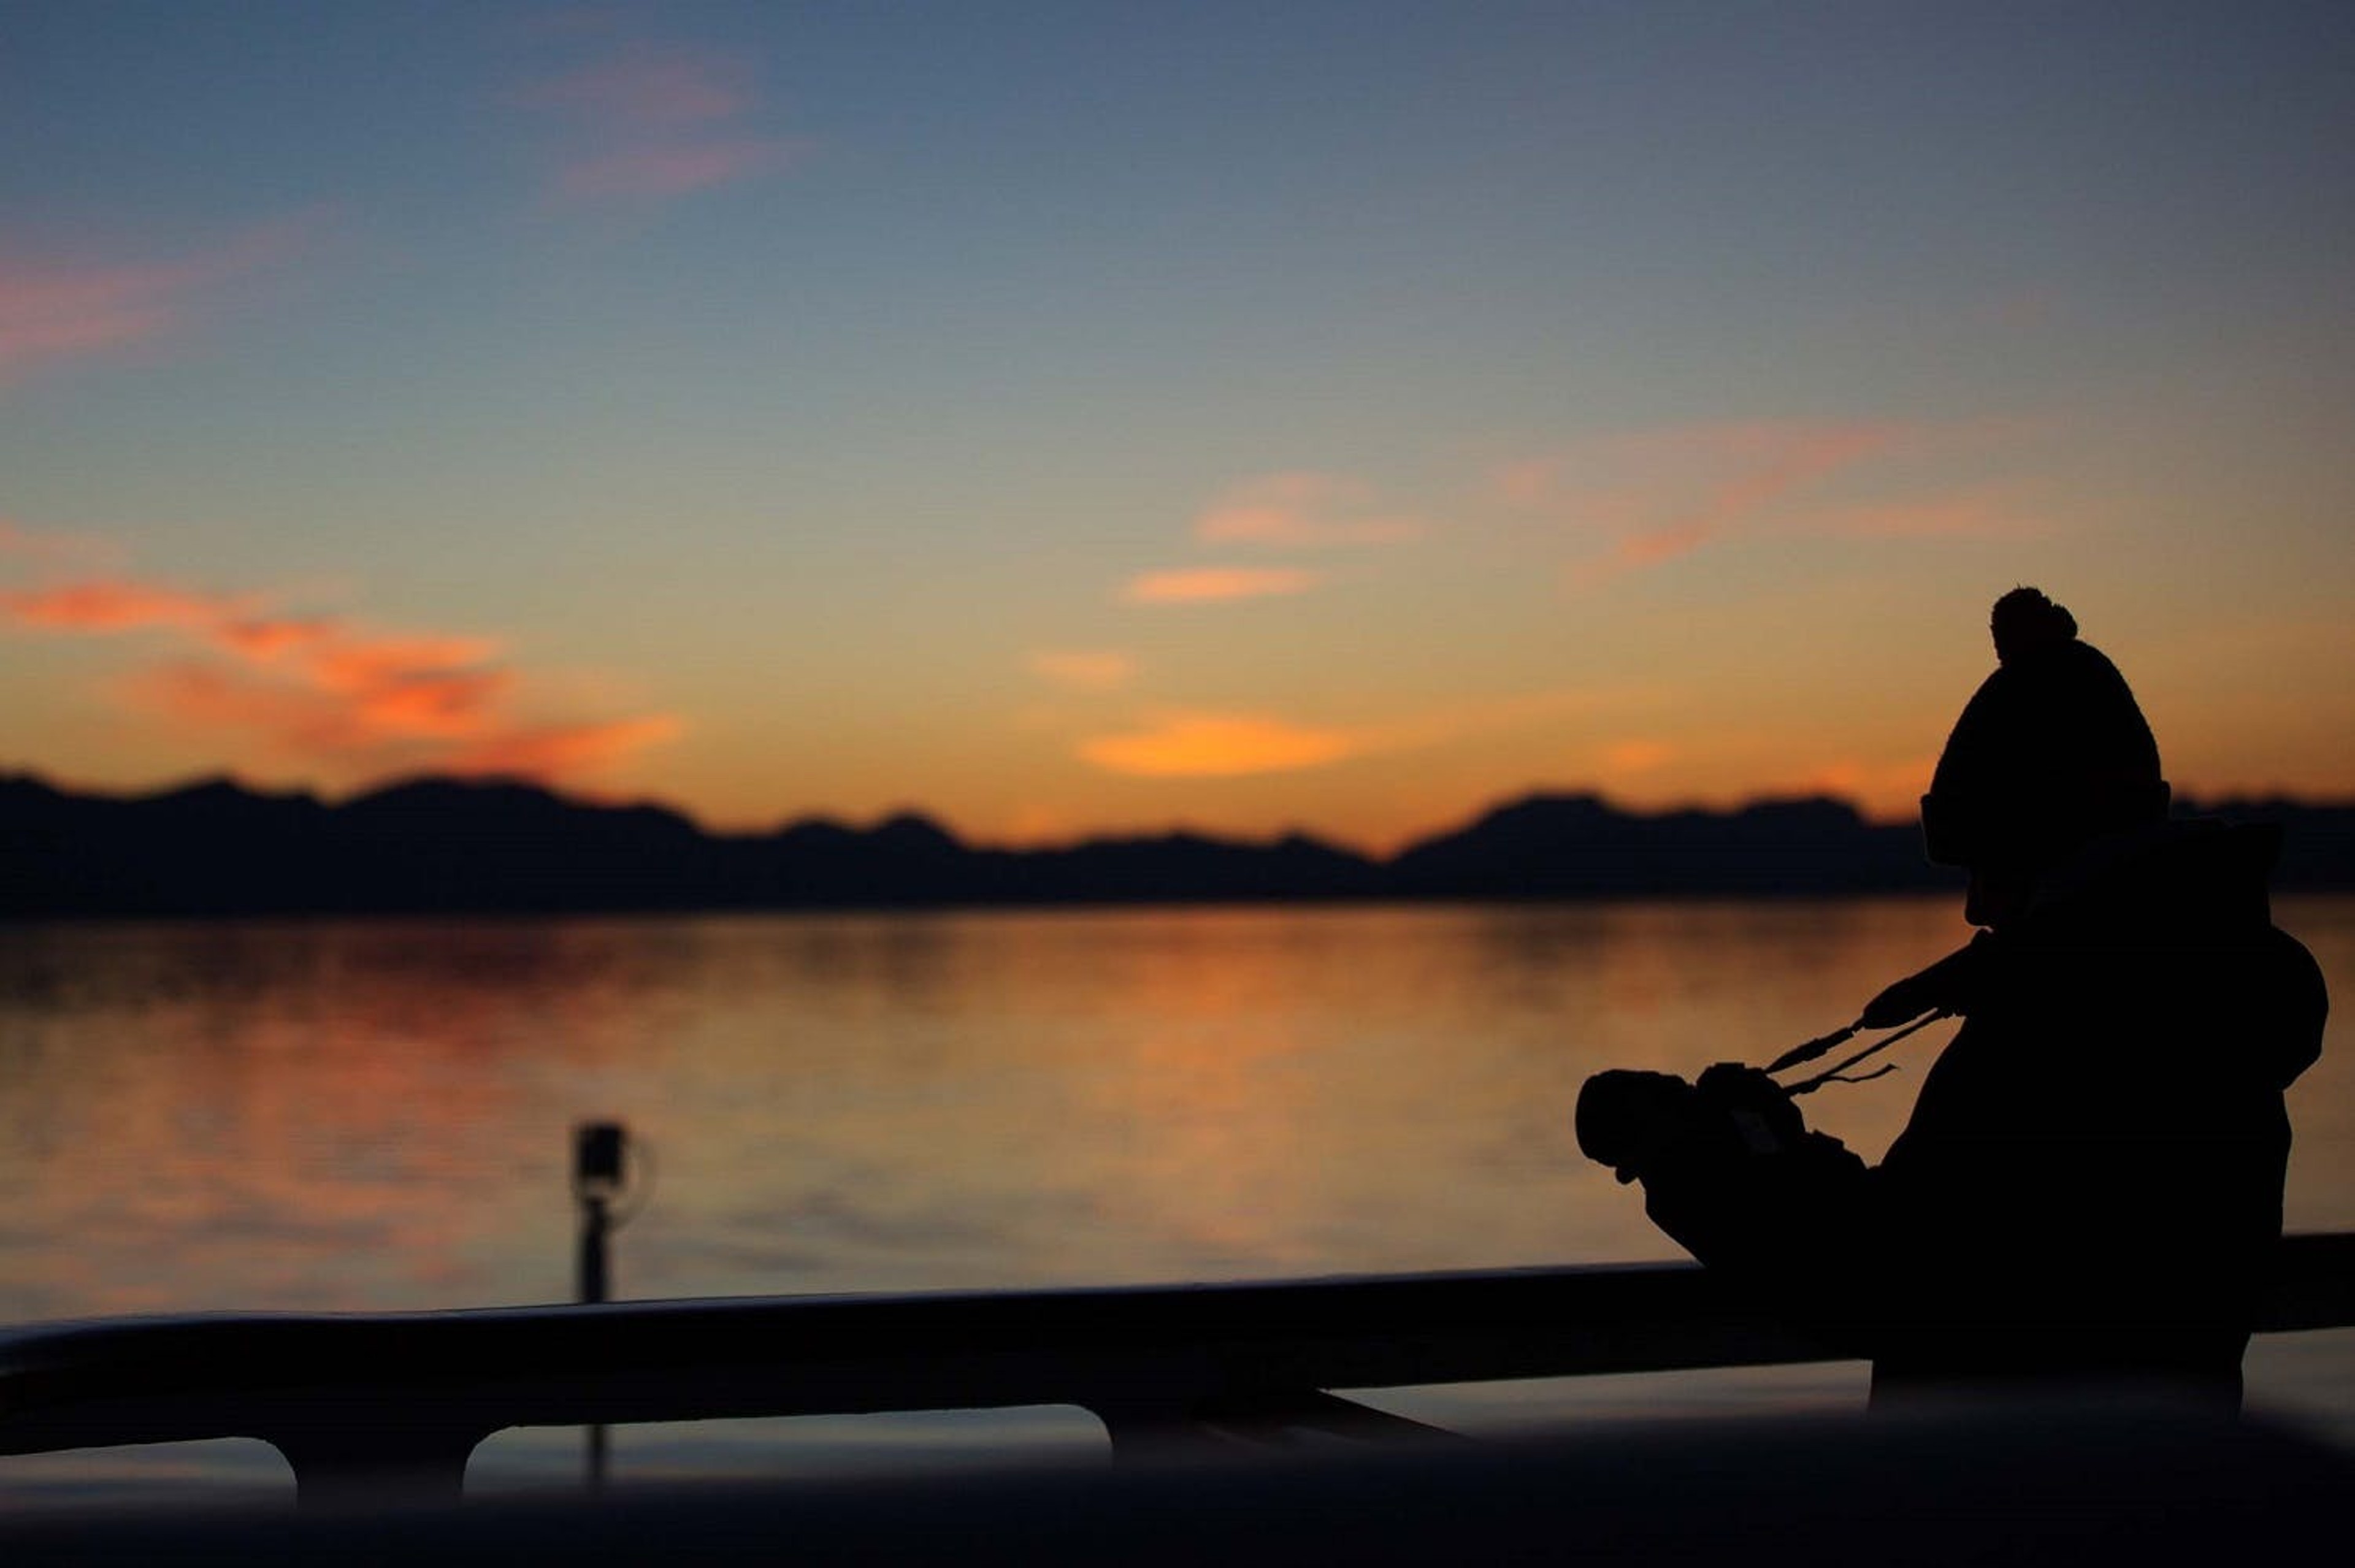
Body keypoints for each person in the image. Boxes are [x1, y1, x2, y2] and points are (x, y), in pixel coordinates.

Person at [1577, 587, 2327, 1407]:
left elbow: (1890, 1285)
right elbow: (1959, 1242)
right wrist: (1784, 1155)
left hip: (2021, 1504)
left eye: (1986, 863)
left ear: (2053, 839)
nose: (1974, 906)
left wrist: (1690, 1163)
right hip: (2146, 1493)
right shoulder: (2204, 994)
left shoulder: (2075, 1027)